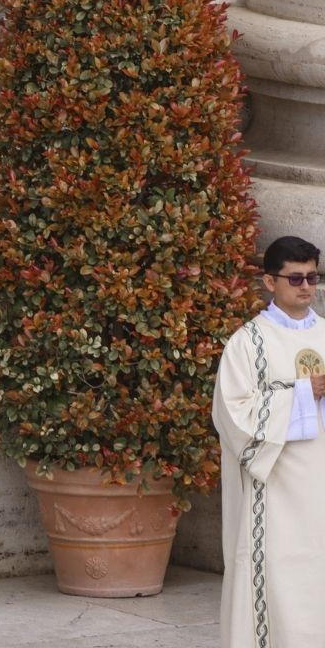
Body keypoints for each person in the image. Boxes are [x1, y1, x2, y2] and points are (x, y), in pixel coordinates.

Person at [214, 235, 325, 647]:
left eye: (313, 277)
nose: (306, 287)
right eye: (295, 278)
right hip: (275, 489)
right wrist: (301, 394)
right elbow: (232, 414)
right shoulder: (247, 343)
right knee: (279, 576)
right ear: (269, 282)